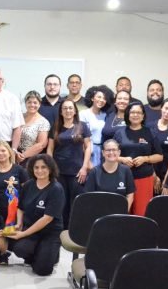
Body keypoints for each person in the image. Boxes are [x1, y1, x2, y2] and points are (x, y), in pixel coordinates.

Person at [7, 154, 65, 276]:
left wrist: (23, 234)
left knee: (42, 270)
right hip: (31, 229)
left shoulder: (56, 189)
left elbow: (47, 219)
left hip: (50, 232)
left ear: (50, 168)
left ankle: (52, 254)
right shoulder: (28, 185)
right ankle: (39, 252)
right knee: (19, 249)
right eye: (36, 167)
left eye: (43, 167)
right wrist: (19, 223)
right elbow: (21, 207)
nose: (39, 170)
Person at [47, 98, 91, 227]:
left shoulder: (82, 126)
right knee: (62, 203)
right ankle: (62, 231)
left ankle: (75, 231)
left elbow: (88, 147)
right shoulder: (55, 126)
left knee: (76, 203)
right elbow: (50, 149)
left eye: (70, 108)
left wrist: (84, 167)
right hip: (59, 172)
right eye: (65, 108)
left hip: (77, 172)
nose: (68, 110)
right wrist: (51, 169)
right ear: (61, 111)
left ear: (75, 111)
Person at [114, 102, 162, 216]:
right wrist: (122, 159)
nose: (135, 115)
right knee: (122, 212)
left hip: (144, 178)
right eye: (132, 112)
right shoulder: (119, 132)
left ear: (143, 115)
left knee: (141, 213)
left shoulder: (149, 132)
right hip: (122, 178)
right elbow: (111, 154)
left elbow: (160, 156)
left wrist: (145, 158)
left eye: (139, 112)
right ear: (128, 114)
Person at [83, 139, 135, 211]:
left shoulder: (126, 171)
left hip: (119, 215)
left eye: (114, 150)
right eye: (108, 150)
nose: (111, 152)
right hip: (99, 215)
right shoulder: (94, 172)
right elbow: (89, 197)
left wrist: (123, 213)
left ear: (119, 152)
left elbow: (130, 195)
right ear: (103, 153)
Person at [0, 141, 30, 219]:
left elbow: (27, 190)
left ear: (9, 153)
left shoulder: (19, 169)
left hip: (16, 211)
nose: (0, 153)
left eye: (3, 151)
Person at [79, 85, 112, 168]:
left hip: (102, 151)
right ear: (92, 98)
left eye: (104, 98)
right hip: (88, 150)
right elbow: (81, 137)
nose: (101, 100)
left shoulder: (105, 115)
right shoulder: (83, 114)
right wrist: (88, 160)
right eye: (99, 97)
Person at [17, 90, 50, 167]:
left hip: (31, 160)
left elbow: (41, 144)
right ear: (25, 103)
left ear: (39, 104)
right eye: (29, 102)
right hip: (14, 156)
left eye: (35, 102)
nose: (32, 105)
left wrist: (23, 156)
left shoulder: (43, 122)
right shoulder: (19, 117)